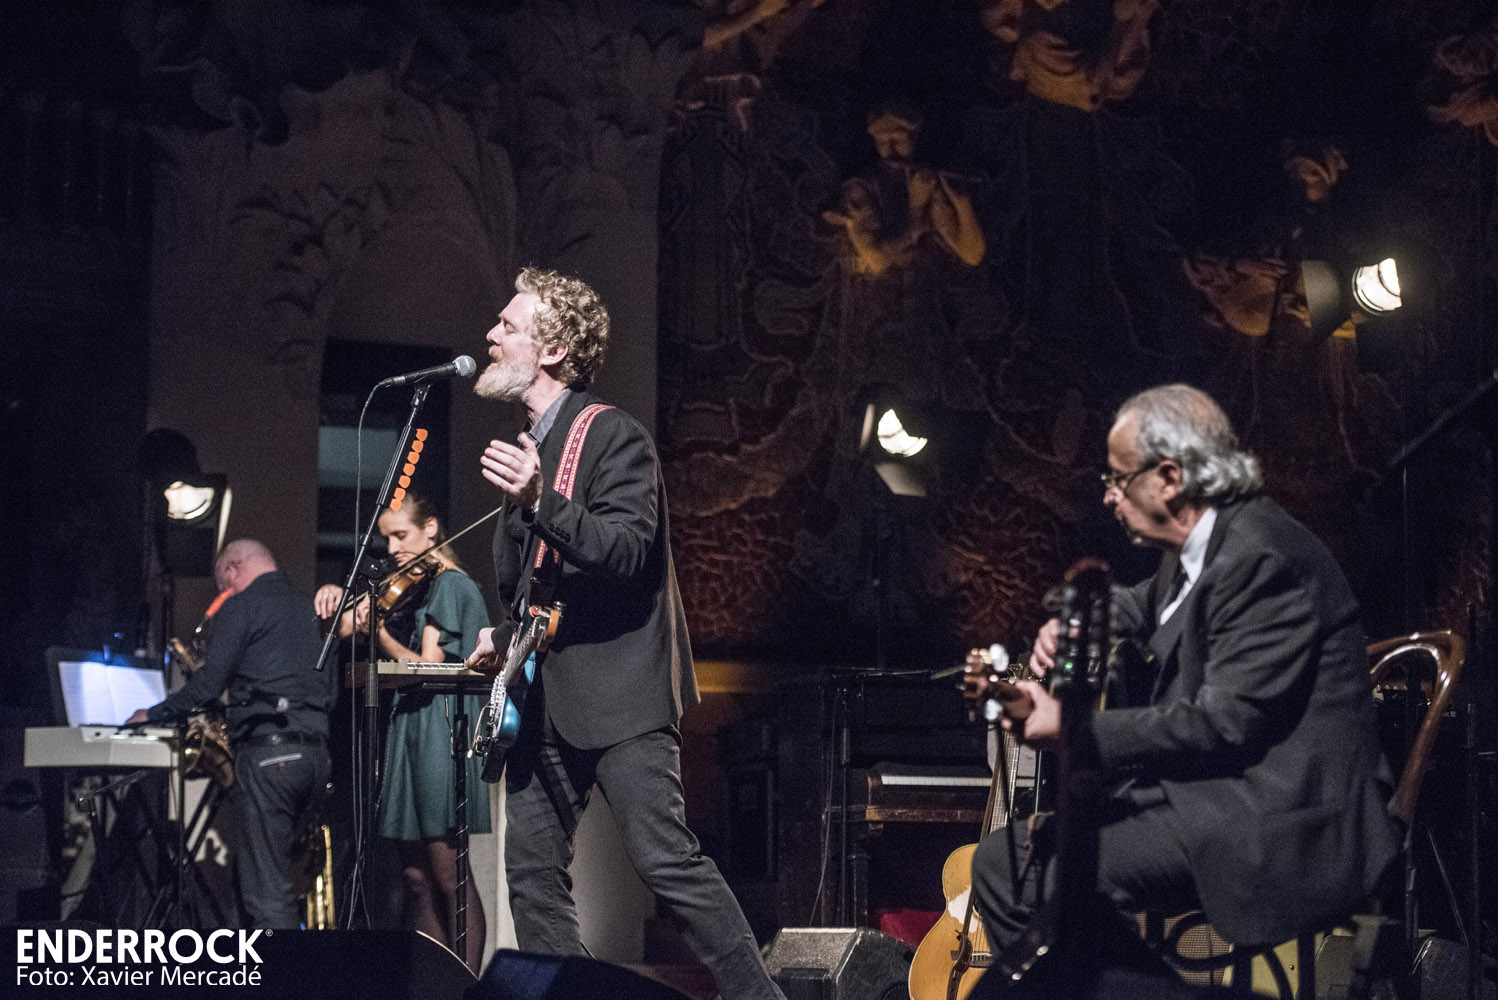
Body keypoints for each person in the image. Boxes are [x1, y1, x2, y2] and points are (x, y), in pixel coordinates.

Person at [972, 384, 1401, 957]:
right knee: (1002, 862)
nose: (1108, 496)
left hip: (1282, 819)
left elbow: (1222, 722)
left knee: (1032, 878)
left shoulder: (1259, 556)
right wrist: (1073, 621)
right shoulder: (1200, 546)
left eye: (1117, 479)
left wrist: (1076, 730)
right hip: (1217, 795)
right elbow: (1144, 604)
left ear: (1170, 478)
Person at [467, 266, 785, 1000]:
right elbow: (544, 587)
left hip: (621, 694)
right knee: (531, 873)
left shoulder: (611, 435)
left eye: (508, 325)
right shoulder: (531, 445)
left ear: (552, 349)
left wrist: (540, 500)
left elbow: (627, 551)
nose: (490, 335)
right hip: (544, 697)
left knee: (665, 861)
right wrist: (506, 635)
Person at [314, 495, 490, 972]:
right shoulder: (415, 587)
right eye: (387, 539)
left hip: (440, 729)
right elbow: (339, 627)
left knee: (448, 874)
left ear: (430, 528)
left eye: (401, 536)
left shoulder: (450, 584)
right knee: (414, 876)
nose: (392, 548)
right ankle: (431, 982)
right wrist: (332, 595)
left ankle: (464, 984)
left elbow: (429, 664)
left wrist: (379, 635)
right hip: (409, 725)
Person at [126, 539, 335, 929]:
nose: (224, 594)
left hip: (269, 757)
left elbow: (209, 684)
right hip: (316, 757)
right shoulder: (311, 607)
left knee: (267, 899)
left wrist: (152, 714)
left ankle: (282, 969)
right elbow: (330, 691)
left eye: (223, 586)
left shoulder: (242, 605)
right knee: (280, 884)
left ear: (233, 569)